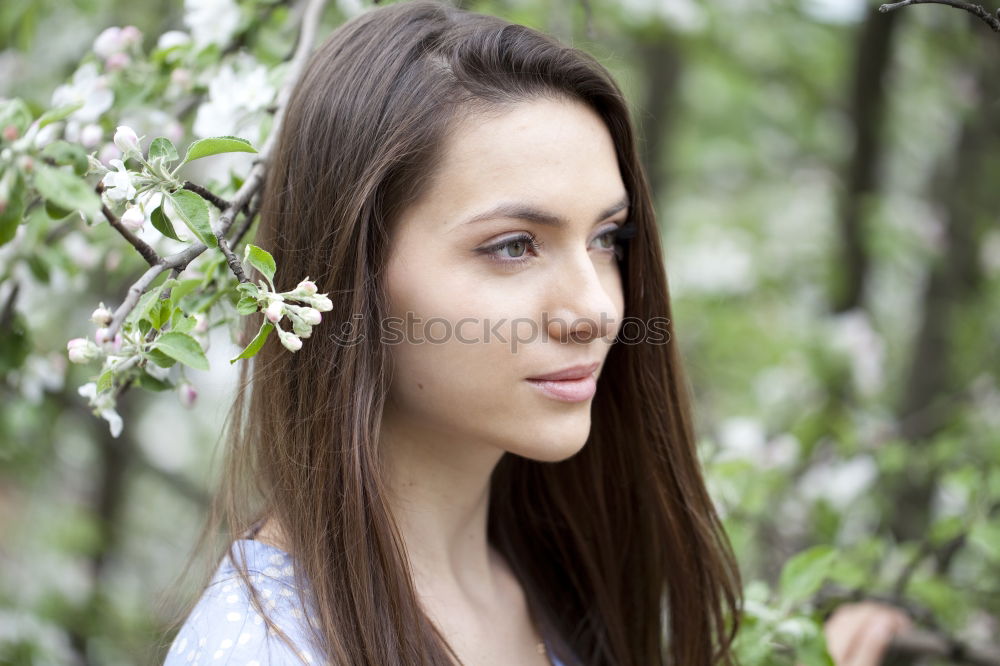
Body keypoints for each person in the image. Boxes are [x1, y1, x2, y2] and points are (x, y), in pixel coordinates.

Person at [158, 1, 909, 664]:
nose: (597, 308)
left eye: (608, 239)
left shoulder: (568, 589)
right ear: (344, 276)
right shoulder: (263, 648)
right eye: (514, 245)